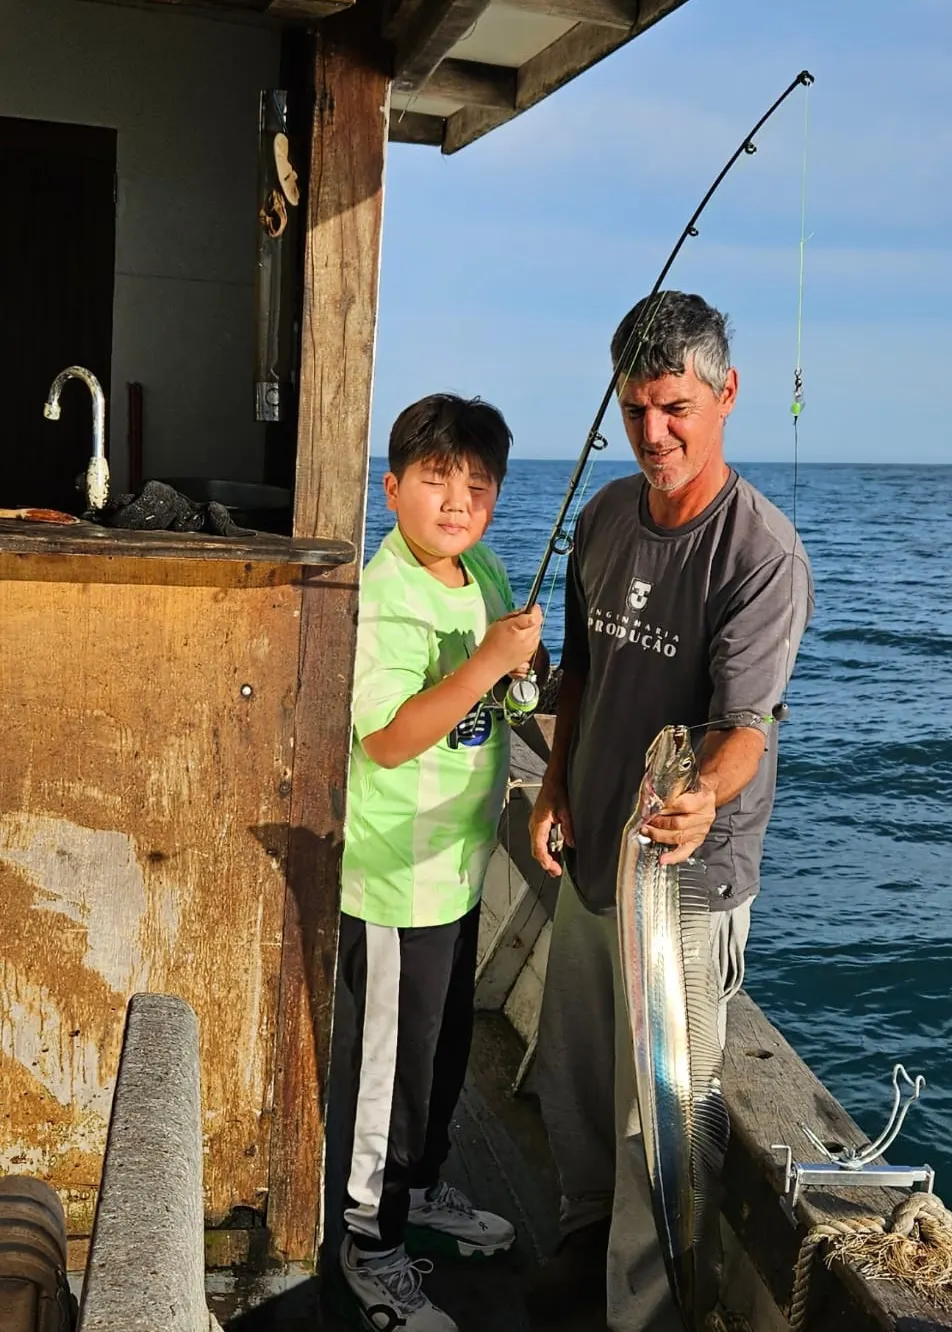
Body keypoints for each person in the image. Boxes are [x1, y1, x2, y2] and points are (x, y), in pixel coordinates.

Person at [526, 291, 814, 1332]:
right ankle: (577, 1233)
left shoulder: (760, 553)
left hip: (686, 885)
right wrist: (554, 788)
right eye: (638, 408)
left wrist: (703, 801)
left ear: (726, 394)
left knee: (662, 1114)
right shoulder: (603, 519)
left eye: (677, 407)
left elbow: (748, 727)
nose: (655, 432)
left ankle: (641, 1313)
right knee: (575, 1074)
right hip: (594, 853)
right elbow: (584, 677)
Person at [337, 393, 544, 1332]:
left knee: (445, 1050)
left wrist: (522, 671)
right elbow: (383, 738)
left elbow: (498, 700)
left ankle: (418, 1186)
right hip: (391, 879)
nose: (458, 500)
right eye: (435, 479)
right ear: (391, 490)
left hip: (458, 870)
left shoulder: (487, 572)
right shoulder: (383, 593)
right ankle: (368, 1244)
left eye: (478, 482)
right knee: (391, 1067)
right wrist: (483, 667)